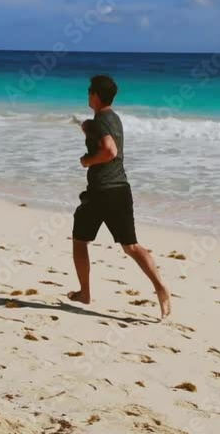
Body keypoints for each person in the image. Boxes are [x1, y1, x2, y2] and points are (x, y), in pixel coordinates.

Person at [68, 75, 172, 319]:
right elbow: (100, 135)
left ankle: (85, 293)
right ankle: (160, 288)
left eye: (88, 91)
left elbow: (109, 151)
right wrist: (84, 127)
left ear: (94, 95)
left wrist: (87, 161)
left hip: (100, 192)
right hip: (120, 190)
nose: (87, 95)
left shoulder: (101, 121)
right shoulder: (113, 119)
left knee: (79, 239)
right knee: (132, 246)